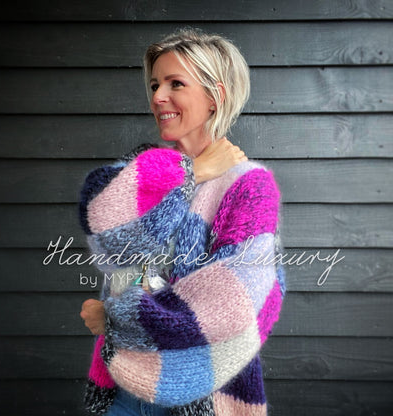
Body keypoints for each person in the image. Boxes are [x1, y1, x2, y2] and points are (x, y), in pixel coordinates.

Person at [79, 29, 286, 416]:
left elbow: (228, 305)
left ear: (214, 97)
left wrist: (115, 319)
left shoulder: (249, 187)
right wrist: (193, 172)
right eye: (155, 84)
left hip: (201, 393)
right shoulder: (146, 167)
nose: (158, 96)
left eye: (175, 83)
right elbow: (103, 223)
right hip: (121, 388)